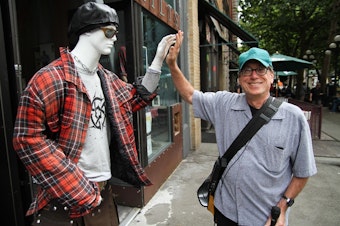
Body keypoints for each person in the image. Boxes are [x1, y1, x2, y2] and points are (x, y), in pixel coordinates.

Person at [12, 2, 176, 226]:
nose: (115, 38)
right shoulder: (50, 79)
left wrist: (158, 59)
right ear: (86, 30)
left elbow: (138, 97)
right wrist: (77, 186)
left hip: (103, 197)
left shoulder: (106, 79)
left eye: (116, 32)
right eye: (109, 31)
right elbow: (27, 138)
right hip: (62, 203)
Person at [166, 32, 317, 226]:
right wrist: (172, 65)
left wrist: (284, 205)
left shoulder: (293, 117)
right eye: (247, 70)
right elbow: (189, 94)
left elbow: (303, 171)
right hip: (225, 211)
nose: (254, 76)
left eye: (260, 70)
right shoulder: (223, 104)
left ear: (271, 76)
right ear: (240, 78)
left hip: (265, 219)